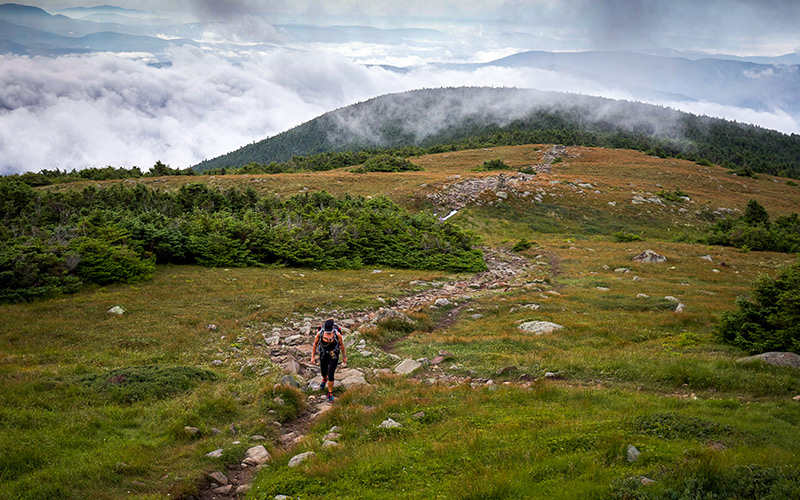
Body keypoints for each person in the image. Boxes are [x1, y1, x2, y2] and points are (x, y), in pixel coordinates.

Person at [310, 318, 347, 402]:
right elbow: (315, 344)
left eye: (329, 331)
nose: (328, 332)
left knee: (331, 373)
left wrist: (344, 356)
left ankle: (330, 392)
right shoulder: (320, 334)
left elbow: (342, 345)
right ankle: (324, 379)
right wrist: (312, 356)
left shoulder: (337, 335)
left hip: (334, 355)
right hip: (324, 354)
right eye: (327, 331)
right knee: (323, 371)